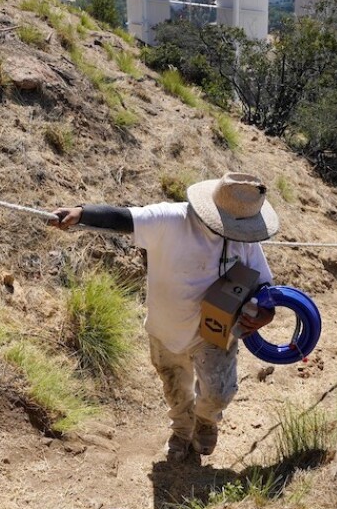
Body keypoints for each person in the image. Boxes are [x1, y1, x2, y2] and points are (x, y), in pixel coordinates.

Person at [48, 172, 278, 461]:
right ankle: (181, 430)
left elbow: (264, 284)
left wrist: (266, 312)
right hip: (166, 329)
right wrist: (82, 213)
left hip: (216, 332)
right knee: (175, 386)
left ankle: (205, 421)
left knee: (219, 392)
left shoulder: (244, 236)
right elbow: (125, 218)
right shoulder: (171, 220)